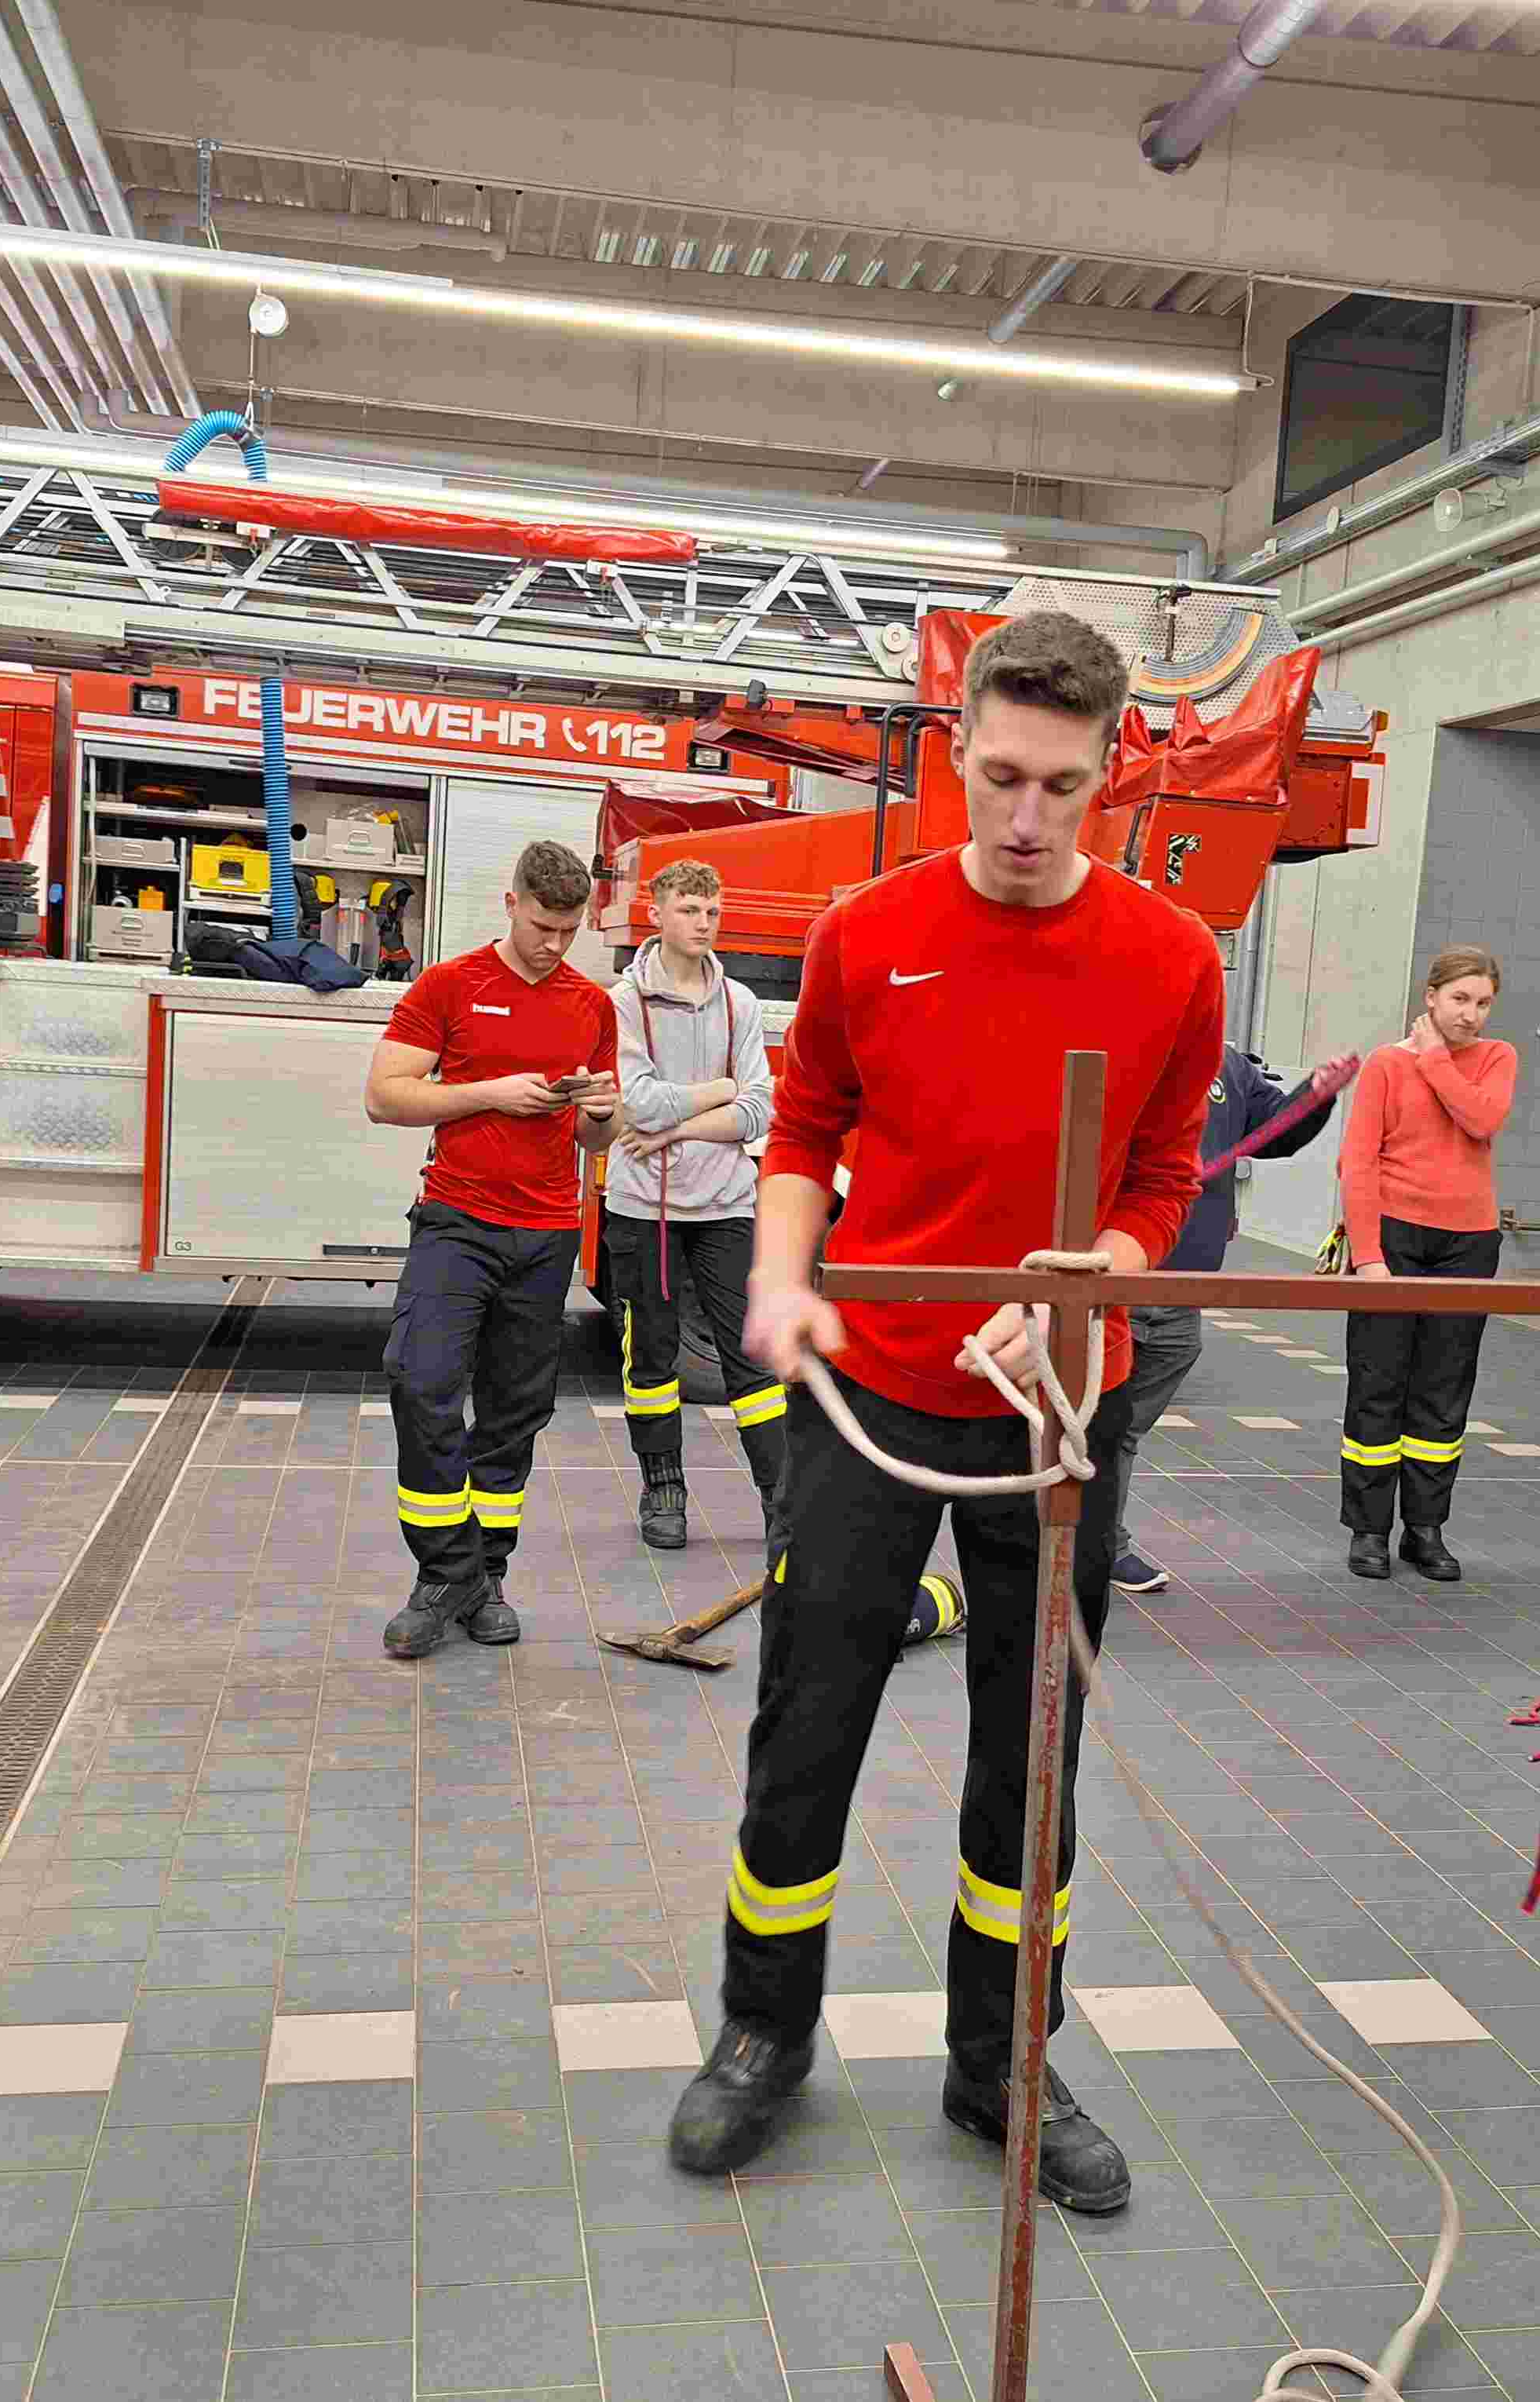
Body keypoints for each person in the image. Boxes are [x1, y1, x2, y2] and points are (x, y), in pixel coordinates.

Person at [665, 609, 1225, 2214]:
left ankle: (1004, 2065)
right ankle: (764, 2035)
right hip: (870, 1398)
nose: (1028, 818)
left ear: (1112, 776)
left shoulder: (1172, 959)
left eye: (1063, 786)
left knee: (1031, 1754)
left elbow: (1162, 1179)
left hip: (1054, 1416)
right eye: (1000, 778)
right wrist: (785, 1281)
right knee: (807, 1722)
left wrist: (1091, 1281)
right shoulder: (870, 932)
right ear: (958, 753)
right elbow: (803, 1133)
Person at [366, 839, 621, 1657]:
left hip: (546, 1234)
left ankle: (486, 1575)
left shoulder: (592, 1005)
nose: (555, 944)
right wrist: (491, 1094)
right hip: (457, 1222)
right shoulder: (451, 985)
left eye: (570, 931)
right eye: (544, 926)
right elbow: (385, 1097)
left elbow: (594, 1136)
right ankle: (447, 1572)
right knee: (420, 1377)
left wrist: (603, 1112)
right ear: (511, 904)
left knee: (515, 1410)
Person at [1104, 1043, 1347, 1594]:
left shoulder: (1227, 1064)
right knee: (1093, 1427)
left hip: (1182, 1294)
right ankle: (1084, 1548)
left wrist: (1315, 1095)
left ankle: (1098, 1547)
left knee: (1121, 1431)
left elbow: (1276, 1131)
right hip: (1118, 1280)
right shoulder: (1126, 1045)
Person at [606, 858, 782, 1555]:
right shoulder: (624, 1002)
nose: (703, 923)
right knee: (651, 1357)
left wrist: (674, 1128)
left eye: (711, 911)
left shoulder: (740, 1002)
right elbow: (636, 1102)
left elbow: (760, 1108)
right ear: (656, 914)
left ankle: (781, 1499)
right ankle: (663, 1489)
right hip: (642, 1208)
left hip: (726, 1206)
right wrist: (718, 1091)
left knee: (753, 1358)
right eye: (688, 910)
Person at [1335, 947, 1515, 1582]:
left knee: (1444, 1390)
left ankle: (1425, 1528)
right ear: (1431, 996)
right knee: (1378, 1383)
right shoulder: (1387, 1064)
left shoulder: (1497, 1058)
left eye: (1483, 1003)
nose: (1472, 1014)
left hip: (1469, 1242)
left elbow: (1482, 1119)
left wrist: (1436, 1058)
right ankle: (1368, 1529)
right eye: (1460, 999)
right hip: (1393, 1234)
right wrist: (1367, 1258)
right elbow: (1358, 1162)